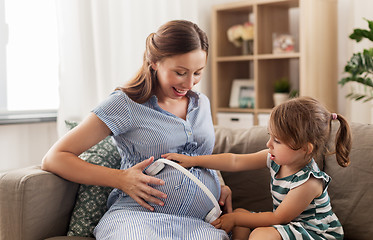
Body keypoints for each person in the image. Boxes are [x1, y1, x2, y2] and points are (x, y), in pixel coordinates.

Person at [42, 20, 232, 239]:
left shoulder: (202, 104)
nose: (189, 83)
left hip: (199, 224)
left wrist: (220, 184)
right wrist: (120, 178)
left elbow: (202, 155)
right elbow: (55, 157)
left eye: (198, 73)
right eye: (180, 72)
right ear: (154, 62)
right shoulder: (125, 104)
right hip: (138, 217)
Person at [163, 96, 352, 240]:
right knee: (238, 214)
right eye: (270, 136)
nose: (269, 144)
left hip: (315, 233)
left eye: (277, 141)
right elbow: (234, 161)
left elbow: (278, 218)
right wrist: (194, 161)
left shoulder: (309, 183)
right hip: (289, 226)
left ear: (305, 148)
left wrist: (236, 220)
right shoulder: (274, 158)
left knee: (260, 235)